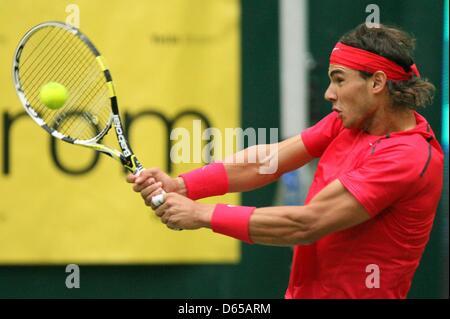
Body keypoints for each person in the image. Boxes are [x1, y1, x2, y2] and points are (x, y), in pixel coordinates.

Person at [127, 23, 443, 299]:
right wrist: (183, 185)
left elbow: (305, 224)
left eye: (339, 80)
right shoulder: (349, 122)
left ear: (376, 83)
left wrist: (202, 214)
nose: (329, 94)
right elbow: (268, 160)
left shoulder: (407, 157)